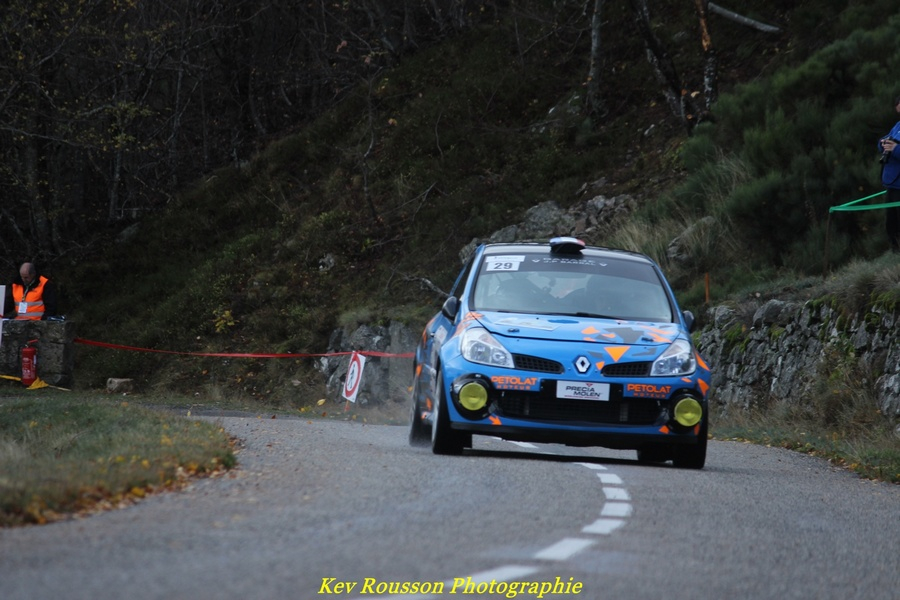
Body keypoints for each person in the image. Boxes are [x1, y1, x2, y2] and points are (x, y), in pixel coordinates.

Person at [878, 95, 900, 252]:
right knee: (891, 221)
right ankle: (895, 250)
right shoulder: (898, 125)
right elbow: (885, 140)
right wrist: (883, 144)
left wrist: (896, 149)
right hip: (892, 182)